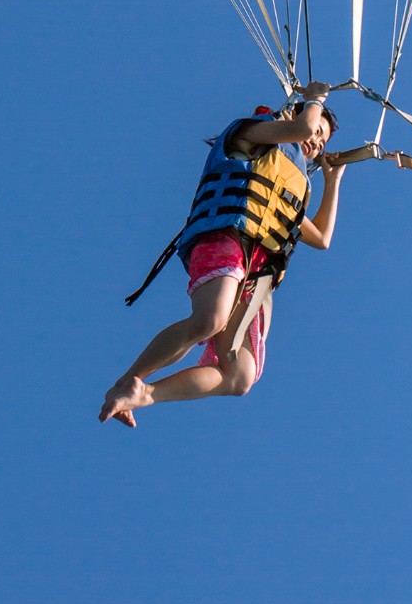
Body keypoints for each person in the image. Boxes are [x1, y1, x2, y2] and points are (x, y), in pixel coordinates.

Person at [99, 84, 346, 423]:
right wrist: (314, 99)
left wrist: (332, 182)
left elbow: (321, 238)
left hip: (257, 272)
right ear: (296, 114)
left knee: (241, 375)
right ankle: (128, 381)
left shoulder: (288, 182)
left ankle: (146, 394)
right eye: (318, 131)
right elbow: (301, 128)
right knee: (209, 320)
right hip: (225, 238)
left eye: (322, 143)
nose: (316, 143)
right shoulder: (250, 134)